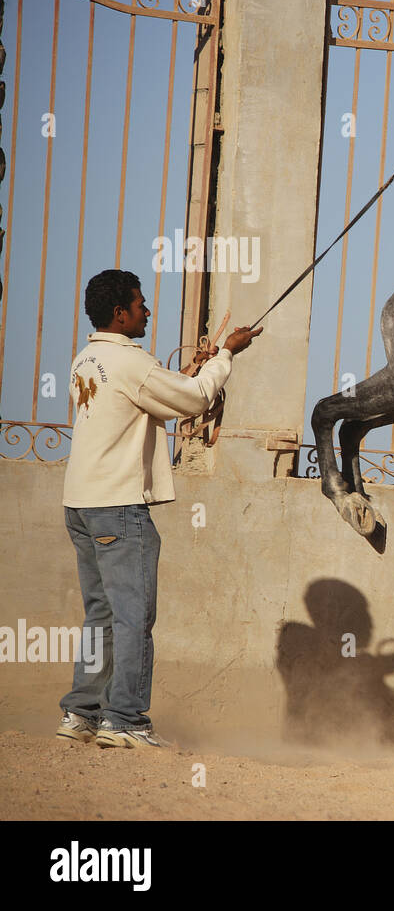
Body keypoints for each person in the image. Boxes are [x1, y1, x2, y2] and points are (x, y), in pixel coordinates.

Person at [57, 269, 261, 749]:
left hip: (81, 503)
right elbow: (192, 400)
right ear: (119, 313)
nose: (147, 311)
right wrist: (228, 353)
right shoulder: (130, 362)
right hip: (119, 506)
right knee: (133, 617)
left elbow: (152, 399)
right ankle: (124, 719)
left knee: (101, 615)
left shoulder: (86, 359)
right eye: (140, 304)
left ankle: (80, 714)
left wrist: (192, 370)